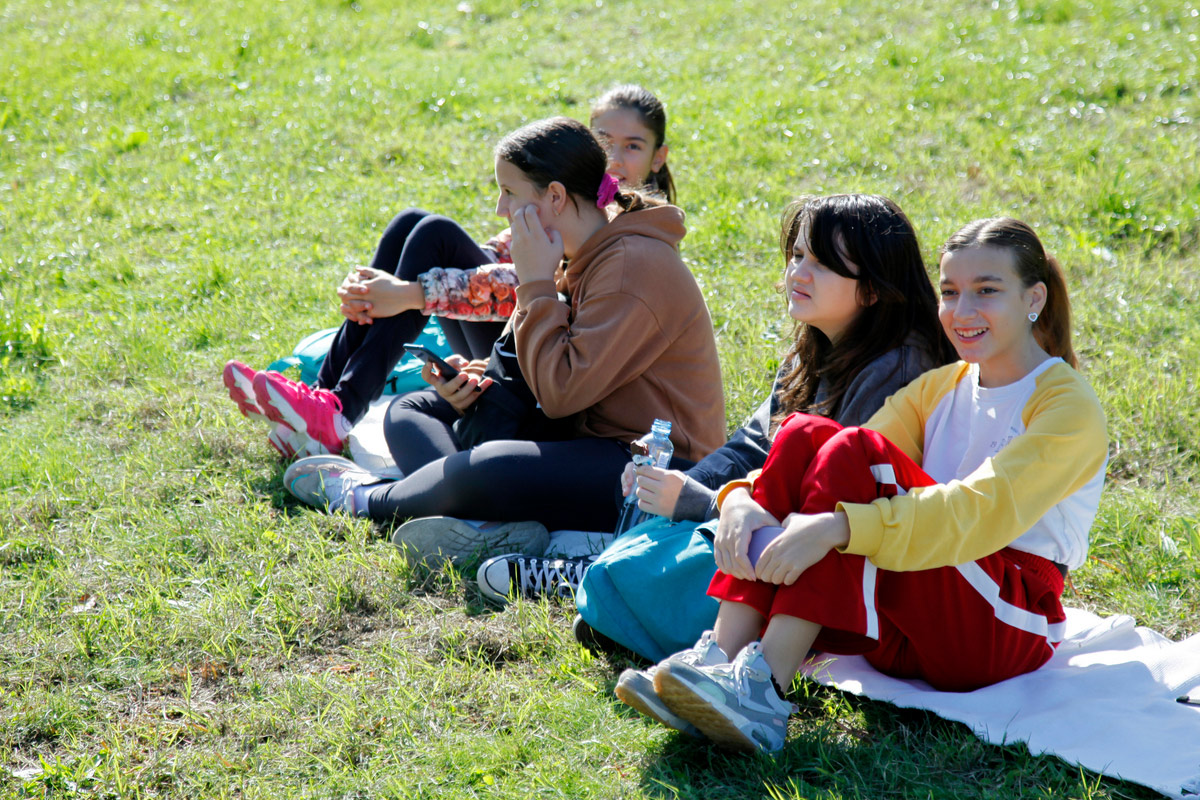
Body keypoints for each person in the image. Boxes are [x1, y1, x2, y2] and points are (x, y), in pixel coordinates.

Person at [620, 217, 1108, 755]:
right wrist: (737, 498)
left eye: (986, 291)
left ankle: (765, 689)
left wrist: (841, 527)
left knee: (856, 449)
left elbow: (978, 514)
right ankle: (719, 657)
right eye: (949, 292)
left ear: (1034, 298)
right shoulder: (940, 386)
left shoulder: (1067, 405)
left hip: (1006, 629)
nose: (961, 311)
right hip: (911, 624)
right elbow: (822, 460)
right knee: (806, 432)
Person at [280, 116, 725, 564]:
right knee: (409, 411)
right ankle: (480, 520)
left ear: (555, 196)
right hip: (582, 429)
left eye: (509, 191)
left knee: (491, 466)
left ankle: (368, 497)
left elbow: (561, 393)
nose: (499, 208)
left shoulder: (632, 264)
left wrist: (534, 283)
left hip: (650, 464)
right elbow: (547, 367)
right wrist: (479, 382)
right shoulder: (580, 250)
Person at [477, 193, 955, 604]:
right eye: (797, 255)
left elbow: (828, 504)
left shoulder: (896, 369)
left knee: (703, 531)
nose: (798, 273)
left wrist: (703, 503)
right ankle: (609, 562)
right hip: (778, 520)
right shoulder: (816, 345)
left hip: (841, 559)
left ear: (872, 289)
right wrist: (678, 485)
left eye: (822, 264)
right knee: (660, 491)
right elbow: (750, 446)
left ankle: (599, 576)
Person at [222, 84, 676, 458]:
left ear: (658, 157)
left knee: (433, 236)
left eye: (632, 146)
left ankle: (337, 410)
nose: (615, 157)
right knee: (417, 226)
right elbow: (501, 255)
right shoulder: (573, 197)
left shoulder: (638, 233)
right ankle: (324, 400)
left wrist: (413, 293)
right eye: (604, 141)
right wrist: (382, 286)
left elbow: (528, 285)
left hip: (545, 360)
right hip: (521, 338)